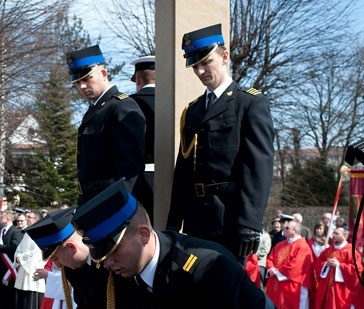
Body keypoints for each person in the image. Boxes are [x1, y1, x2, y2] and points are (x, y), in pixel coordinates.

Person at [71, 179, 288, 309]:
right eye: (101, 254)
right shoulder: (123, 270)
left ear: (144, 235)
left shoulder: (206, 268)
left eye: (113, 250)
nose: (107, 263)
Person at [167, 24, 275, 263]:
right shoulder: (193, 111)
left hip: (230, 219)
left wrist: (250, 221)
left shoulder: (249, 104)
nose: (200, 70)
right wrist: (173, 223)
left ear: (224, 56)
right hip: (196, 221)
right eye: (195, 65)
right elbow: (183, 170)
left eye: (206, 62)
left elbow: (259, 167)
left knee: (227, 295)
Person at [66, 45, 151, 212]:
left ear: (103, 74)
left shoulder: (122, 107)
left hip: (111, 204)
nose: (82, 86)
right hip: (92, 201)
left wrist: (121, 208)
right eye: (77, 82)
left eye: (87, 79)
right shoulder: (94, 111)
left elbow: (130, 170)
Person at [25, 207, 108, 309]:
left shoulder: (110, 261)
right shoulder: (71, 269)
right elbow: (84, 305)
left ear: (71, 247)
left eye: (56, 258)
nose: (58, 265)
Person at [313, 227, 364, 309]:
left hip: (342, 292)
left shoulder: (351, 251)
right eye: (333, 233)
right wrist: (325, 265)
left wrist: (339, 266)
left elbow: (357, 270)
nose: (333, 235)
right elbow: (317, 266)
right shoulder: (327, 251)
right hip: (327, 290)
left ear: (345, 236)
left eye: (337, 233)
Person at [265, 220, 314, 309]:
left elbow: (296, 266)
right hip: (276, 285)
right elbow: (270, 258)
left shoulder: (303, 246)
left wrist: (277, 272)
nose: (284, 230)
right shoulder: (280, 245)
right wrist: (271, 269)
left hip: (292, 286)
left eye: (287, 228)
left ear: (295, 231)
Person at [129, 55, 156, 218]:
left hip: (136, 180)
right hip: (170, 180)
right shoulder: (175, 104)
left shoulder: (127, 105)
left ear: (138, 79)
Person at [0, 211, 23, 309]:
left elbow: (14, 247)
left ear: (8, 219)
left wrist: (0, 247)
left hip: (10, 267)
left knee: (9, 293)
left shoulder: (15, 231)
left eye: (2, 217)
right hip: (1, 266)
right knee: (2, 292)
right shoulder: (1, 230)